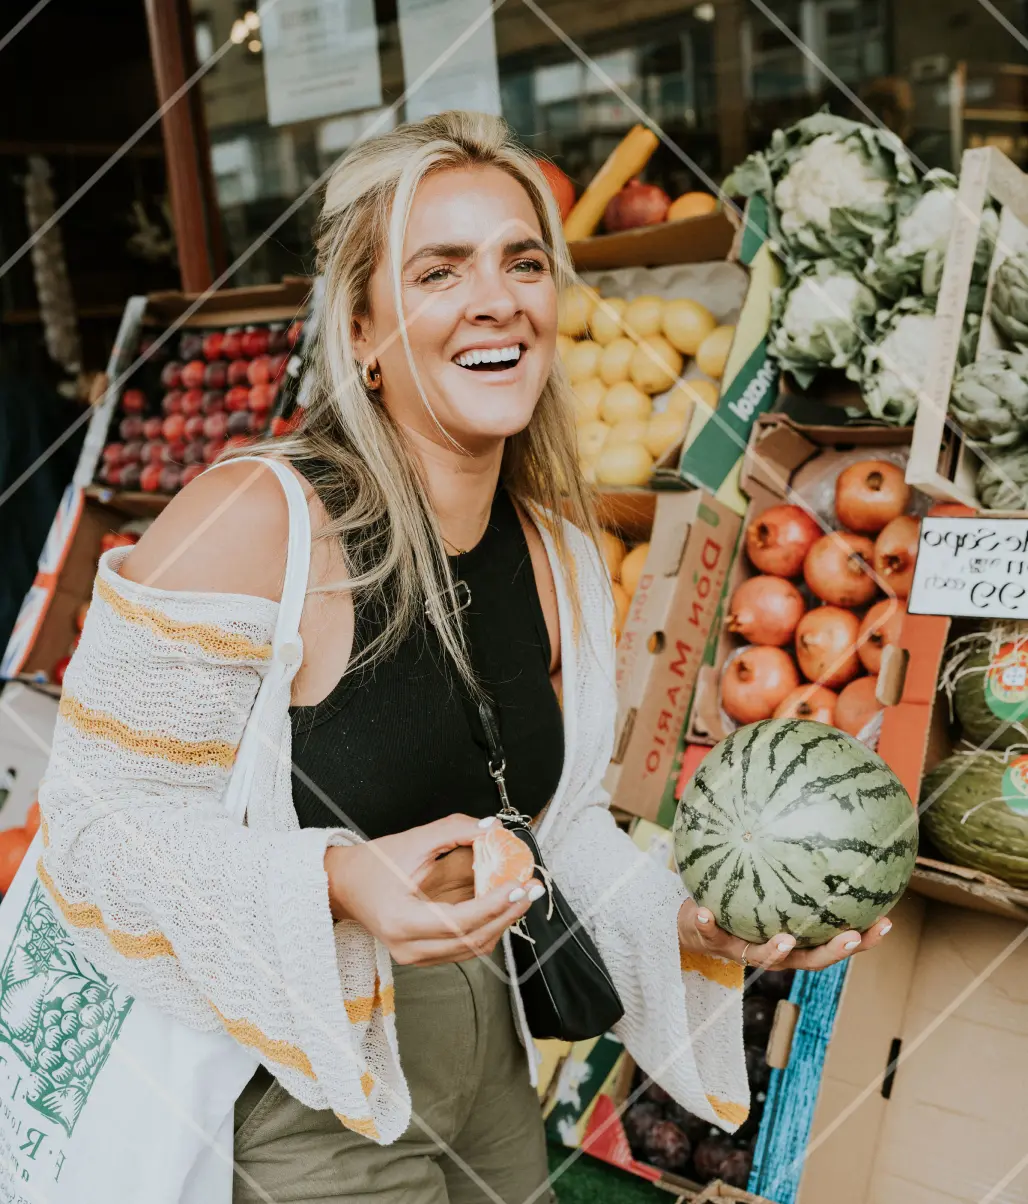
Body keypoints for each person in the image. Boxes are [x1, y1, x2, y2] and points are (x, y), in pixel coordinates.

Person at [40, 111, 891, 1204]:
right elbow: (94, 829)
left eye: (521, 261)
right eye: (438, 271)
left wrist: (697, 920)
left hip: (480, 1044)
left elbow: (555, 823)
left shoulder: (558, 553)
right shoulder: (253, 519)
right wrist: (340, 880)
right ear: (359, 329)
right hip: (292, 1073)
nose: (496, 298)